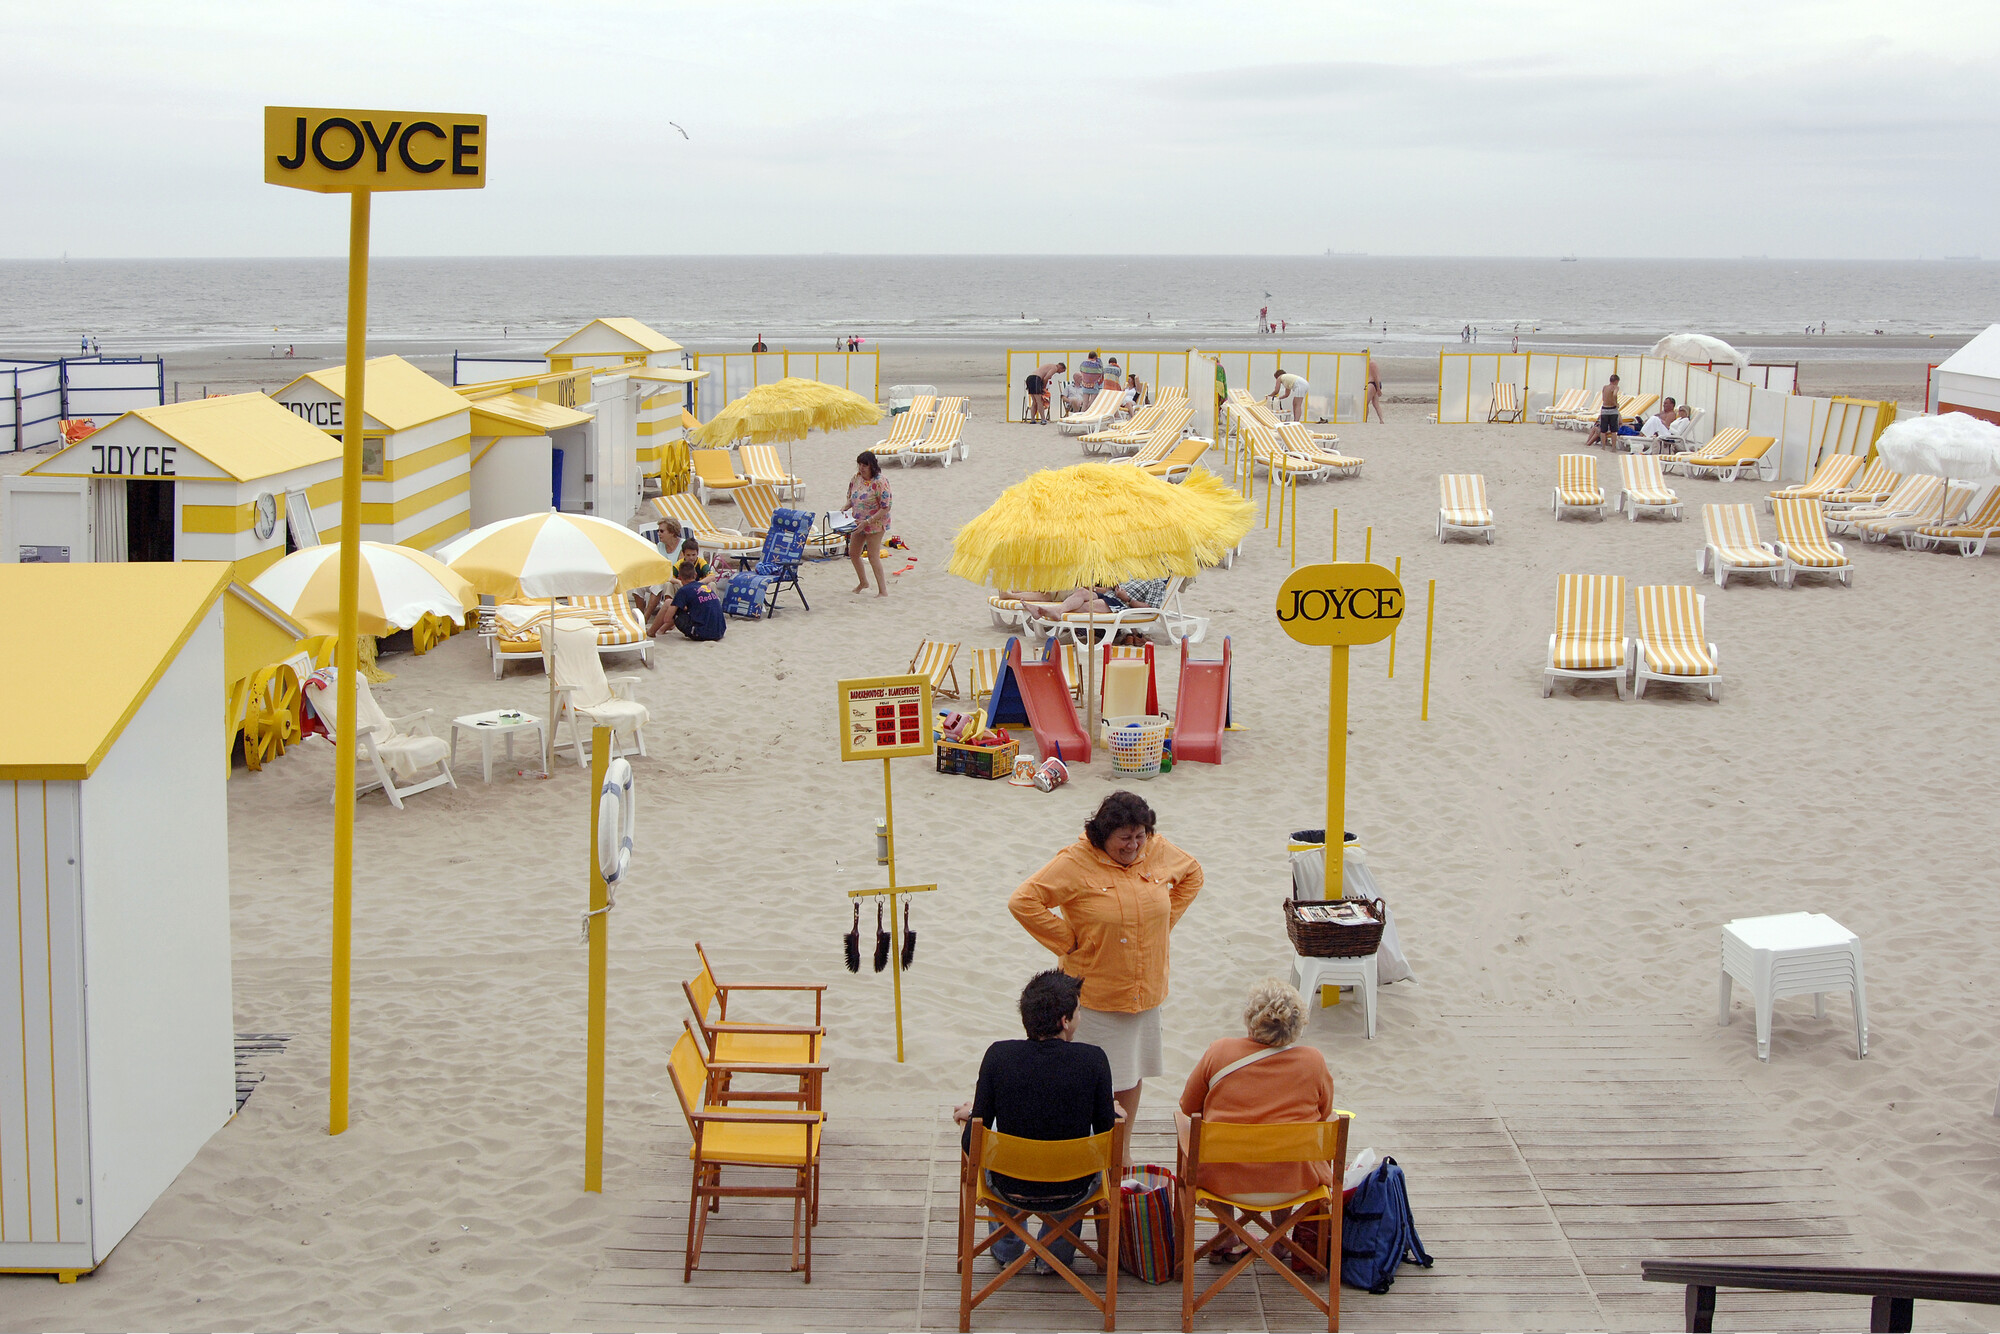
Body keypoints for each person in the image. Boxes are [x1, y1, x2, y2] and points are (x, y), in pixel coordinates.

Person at [1010, 791, 1204, 1148]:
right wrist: (1068, 942)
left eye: (1140, 836)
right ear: (1103, 835)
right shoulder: (1074, 861)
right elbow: (1023, 901)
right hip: (1095, 992)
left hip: (1145, 990)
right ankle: (1080, 1147)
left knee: (1130, 1073)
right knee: (1086, 1077)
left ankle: (1122, 1149)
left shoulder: (1157, 849)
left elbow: (1192, 874)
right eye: (1125, 838)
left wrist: (1164, 923)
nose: (1134, 846)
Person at [953, 970, 1119, 1273]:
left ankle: (1008, 1251)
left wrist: (977, 1111)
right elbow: (1108, 1136)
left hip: (1009, 1185)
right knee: (1078, 1151)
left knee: (1000, 1151)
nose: (1080, 1017)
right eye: (1079, 1011)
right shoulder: (1094, 1060)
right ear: (1065, 1021)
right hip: (1074, 1187)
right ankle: (1054, 1257)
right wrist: (1109, 1109)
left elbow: (970, 1143)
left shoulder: (998, 1056)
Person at [1178, 979, 1336, 1249]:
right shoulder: (1313, 1061)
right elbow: (1325, 1114)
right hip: (1296, 1182)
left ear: (1251, 1018)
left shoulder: (1220, 1052)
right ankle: (1280, 1237)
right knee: (1287, 1145)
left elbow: (1187, 1108)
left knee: (1207, 1139)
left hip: (1223, 1182)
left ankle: (1224, 1236)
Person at [846, 450, 892, 597]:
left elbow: (886, 506)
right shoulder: (856, 478)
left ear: (871, 465)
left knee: (873, 556)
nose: (861, 468)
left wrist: (868, 521)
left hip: (876, 523)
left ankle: (882, 591)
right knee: (853, 553)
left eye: (864, 465)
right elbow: (850, 498)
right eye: (859, 465)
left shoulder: (880, 481)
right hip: (858, 522)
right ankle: (863, 582)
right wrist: (845, 507)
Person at [668, 568, 726, 641]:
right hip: (720, 631)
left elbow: (667, 618)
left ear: (679, 577)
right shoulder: (705, 586)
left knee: (672, 607)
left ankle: (654, 631)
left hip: (702, 633)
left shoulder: (683, 590)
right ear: (695, 575)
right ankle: (659, 631)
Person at [1583, 373, 1622, 448]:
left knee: (1603, 430)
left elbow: (1603, 398)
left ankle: (1603, 446)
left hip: (1604, 409)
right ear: (1616, 381)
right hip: (1612, 409)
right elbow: (1614, 394)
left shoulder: (1605, 387)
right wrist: (1615, 403)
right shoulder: (1615, 387)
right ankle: (1613, 448)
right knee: (1614, 431)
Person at [1028, 360, 1066, 424]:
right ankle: (1043, 419)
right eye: (1061, 371)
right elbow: (1046, 378)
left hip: (1030, 378)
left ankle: (1032, 419)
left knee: (1034, 401)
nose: (1059, 373)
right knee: (1039, 401)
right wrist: (1044, 388)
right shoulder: (1054, 368)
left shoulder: (1049, 365)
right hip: (1036, 379)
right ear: (1061, 367)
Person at [1365, 355, 1385, 423]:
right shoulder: (1368, 363)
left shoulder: (1371, 363)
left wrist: (1378, 389)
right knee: (1375, 403)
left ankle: (1365, 420)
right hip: (1374, 384)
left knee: (1365, 403)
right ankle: (1381, 420)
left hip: (1373, 383)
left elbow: (1375, 377)